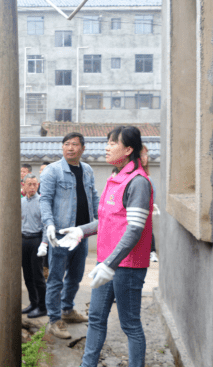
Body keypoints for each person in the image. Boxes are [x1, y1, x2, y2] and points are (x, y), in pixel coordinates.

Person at [58, 126, 153, 367]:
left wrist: (110, 264)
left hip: (127, 265)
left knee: (130, 324)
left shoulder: (138, 182)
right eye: (107, 142)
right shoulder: (115, 178)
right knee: (97, 317)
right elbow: (107, 220)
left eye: (113, 143)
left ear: (128, 149)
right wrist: (82, 230)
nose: (107, 147)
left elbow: (134, 229)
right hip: (106, 262)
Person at [39, 132, 100, 339]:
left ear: (83, 148)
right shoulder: (52, 171)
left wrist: (103, 220)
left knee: (75, 276)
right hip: (60, 235)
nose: (70, 148)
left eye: (75, 144)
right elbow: (44, 200)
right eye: (66, 144)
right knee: (56, 279)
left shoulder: (88, 170)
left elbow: (94, 197)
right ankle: (54, 320)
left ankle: (67, 310)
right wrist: (48, 225)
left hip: (81, 234)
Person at [20, 174, 48, 318]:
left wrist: (44, 243)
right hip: (23, 240)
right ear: (23, 185)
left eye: (34, 184)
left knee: (38, 275)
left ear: (38, 185)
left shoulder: (42, 202)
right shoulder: (21, 202)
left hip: (36, 240)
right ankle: (33, 303)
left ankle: (43, 307)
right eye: (29, 184)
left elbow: (45, 225)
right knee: (27, 275)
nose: (32, 187)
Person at [140, 145, 159, 263]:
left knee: (147, 230)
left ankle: (152, 252)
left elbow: (153, 196)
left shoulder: (147, 178)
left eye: (146, 155)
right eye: (142, 154)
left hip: (144, 212)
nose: (145, 158)